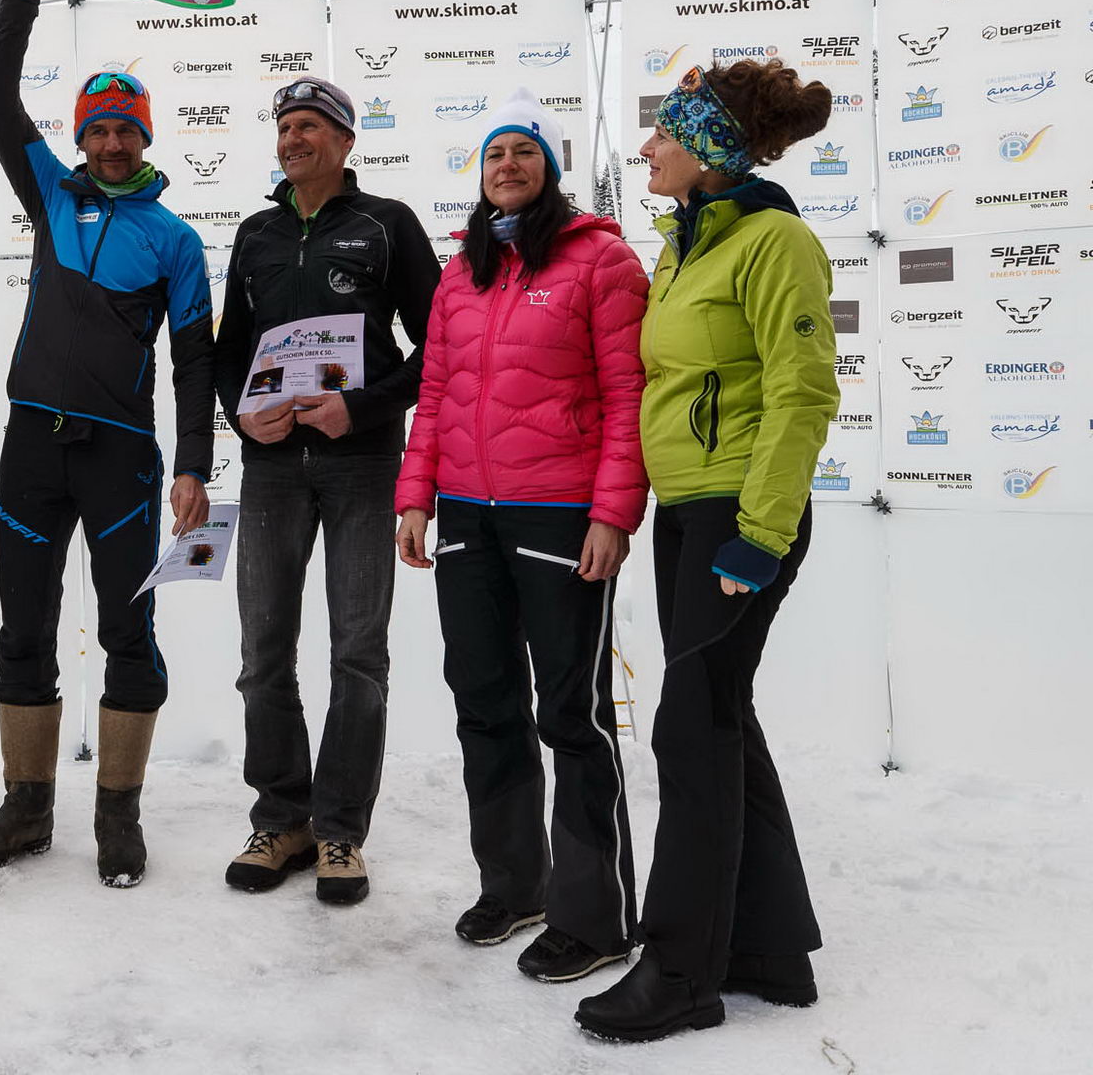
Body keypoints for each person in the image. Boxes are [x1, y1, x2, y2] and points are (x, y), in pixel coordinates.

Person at [575, 61, 835, 1040]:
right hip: (689, 512)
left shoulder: (776, 242)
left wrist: (760, 535)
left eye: (663, 135)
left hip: (738, 515)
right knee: (722, 718)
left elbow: (802, 390)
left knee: (690, 728)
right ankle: (769, 946)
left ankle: (683, 970)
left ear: (708, 149)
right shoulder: (688, 247)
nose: (646, 147)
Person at [0, 0, 214, 888]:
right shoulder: (49, 196)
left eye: (126, 131)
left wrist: (194, 462)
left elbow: (194, 357)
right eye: (99, 130)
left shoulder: (174, 239)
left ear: (145, 139)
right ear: (82, 138)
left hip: (121, 459)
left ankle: (118, 815)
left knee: (128, 634)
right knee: (21, 631)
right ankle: (27, 808)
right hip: (32, 444)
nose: (112, 144)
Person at [393, 89, 648, 980]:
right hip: (465, 514)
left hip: (558, 515)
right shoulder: (461, 272)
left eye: (525, 154)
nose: (508, 167)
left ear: (550, 170)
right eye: (496, 154)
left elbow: (630, 399)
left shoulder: (600, 262)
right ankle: (515, 884)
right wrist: (414, 494)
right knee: (484, 704)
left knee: (571, 716)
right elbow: (436, 396)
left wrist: (614, 514)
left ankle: (596, 916)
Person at [215, 76, 438, 904]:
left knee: (358, 652)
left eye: (311, 126)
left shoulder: (389, 224)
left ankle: (341, 832)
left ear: (345, 142)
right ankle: (283, 819)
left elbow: (436, 346)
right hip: (273, 465)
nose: (293, 139)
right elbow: (231, 348)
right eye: (285, 127)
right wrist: (243, 421)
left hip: (362, 460)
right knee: (261, 654)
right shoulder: (257, 232)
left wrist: (365, 406)